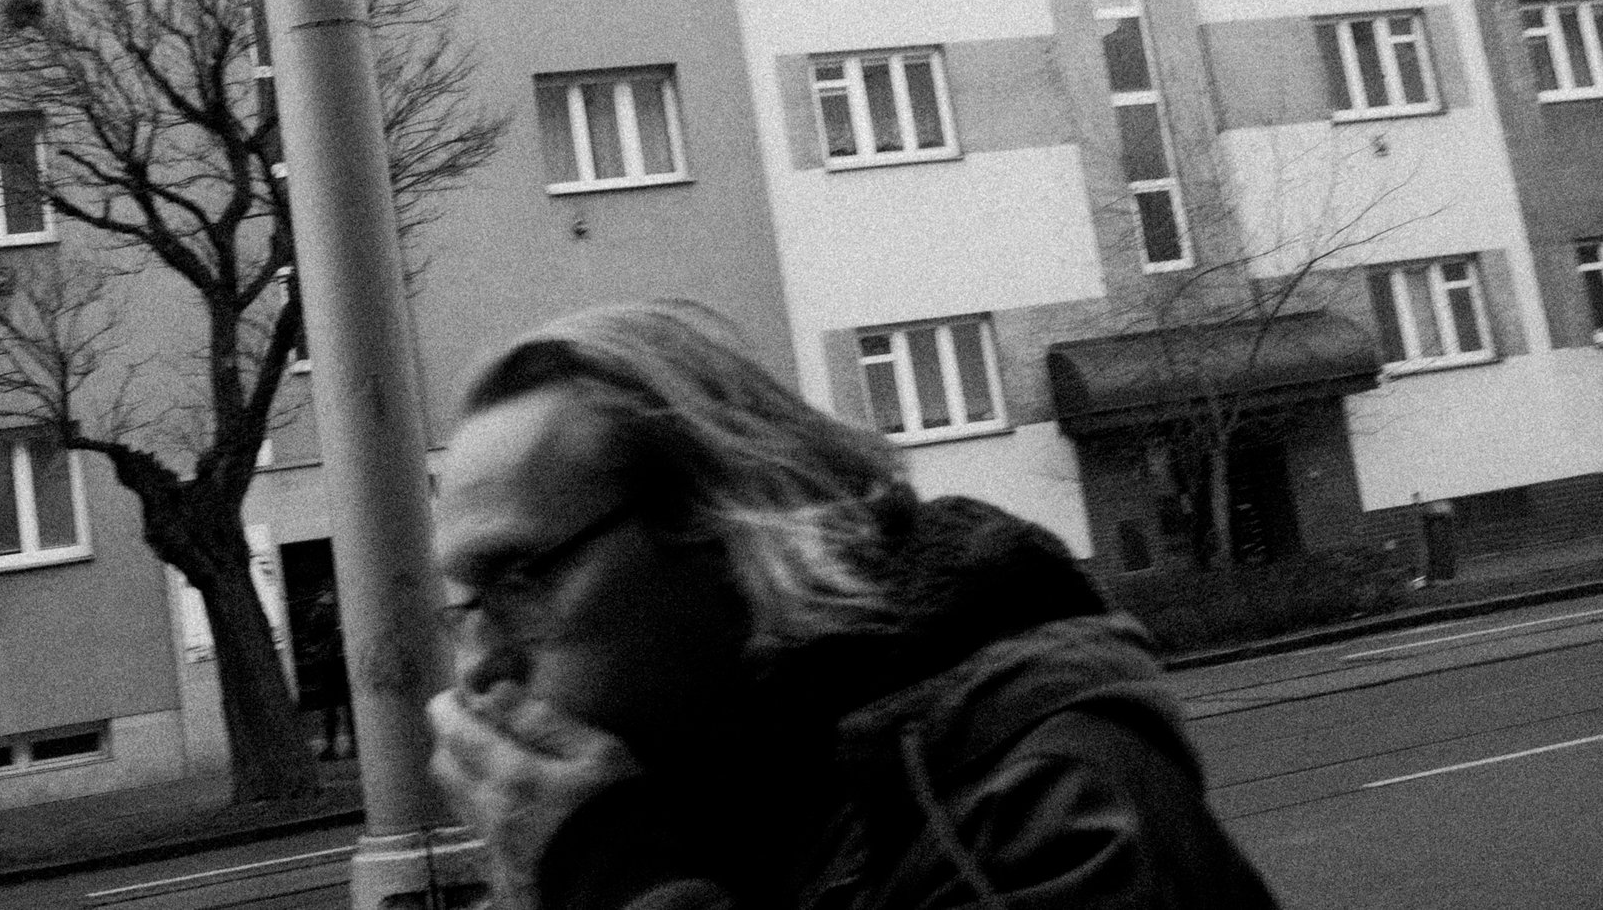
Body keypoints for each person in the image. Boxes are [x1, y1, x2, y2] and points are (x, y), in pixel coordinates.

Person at [428, 301, 1280, 910]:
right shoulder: (706, 811)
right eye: (463, 604)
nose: (480, 665)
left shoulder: (1032, 807)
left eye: (521, 577)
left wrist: (613, 876)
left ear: (728, 525)